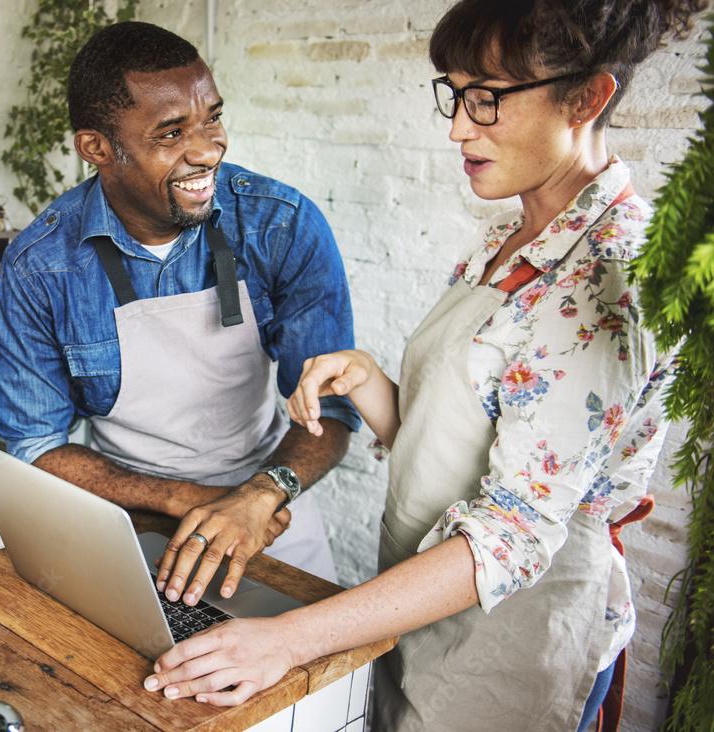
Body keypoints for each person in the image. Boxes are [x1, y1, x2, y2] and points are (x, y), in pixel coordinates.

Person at [142, 1, 706, 729]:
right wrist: (367, 379)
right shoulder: (507, 234)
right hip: (419, 597)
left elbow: (511, 532)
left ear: (588, 98)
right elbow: (458, 435)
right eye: (456, 94)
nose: (457, 127)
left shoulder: (606, 280)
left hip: (511, 630)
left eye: (487, 100)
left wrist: (288, 639)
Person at [0, 21, 360, 601]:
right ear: (97, 149)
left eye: (212, 117)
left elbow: (332, 409)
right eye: (171, 133)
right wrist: (179, 497)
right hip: (129, 516)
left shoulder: (280, 224)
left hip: (272, 516)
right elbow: (35, 446)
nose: (208, 149)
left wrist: (260, 494)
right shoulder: (42, 265)